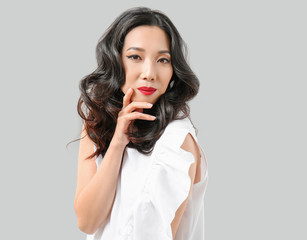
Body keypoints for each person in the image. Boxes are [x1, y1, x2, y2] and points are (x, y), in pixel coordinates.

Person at [74, 7, 208, 240]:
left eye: (163, 60)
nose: (149, 72)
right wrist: (117, 142)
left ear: (173, 70)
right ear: (116, 60)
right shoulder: (98, 124)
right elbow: (87, 221)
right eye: (135, 57)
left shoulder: (177, 142)